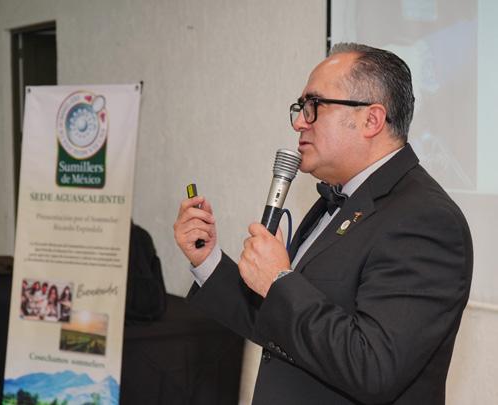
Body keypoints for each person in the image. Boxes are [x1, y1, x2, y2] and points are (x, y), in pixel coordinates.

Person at [173, 43, 473, 404]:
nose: (299, 122)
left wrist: (279, 281)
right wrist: (207, 260)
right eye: (300, 108)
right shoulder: (336, 200)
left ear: (371, 120)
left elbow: (373, 367)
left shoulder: (426, 219)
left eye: (314, 106)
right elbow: (282, 324)